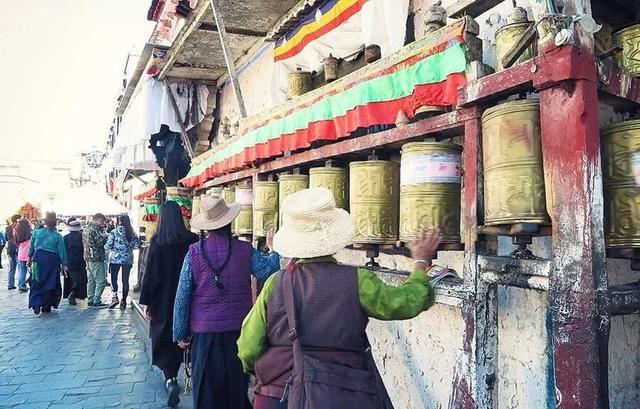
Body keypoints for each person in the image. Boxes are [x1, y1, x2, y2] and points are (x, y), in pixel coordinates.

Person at [237, 188, 441, 409]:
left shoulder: (275, 283)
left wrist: (263, 370)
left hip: (279, 397)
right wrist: (421, 261)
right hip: (341, 395)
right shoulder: (358, 280)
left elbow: (248, 348)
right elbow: (406, 302)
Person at [173, 196, 280, 409]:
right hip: (239, 333)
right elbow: (267, 270)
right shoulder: (244, 249)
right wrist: (273, 249)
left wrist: (180, 333)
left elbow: (183, 295)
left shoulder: (194, 252)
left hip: (204, 336)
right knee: (236, 393)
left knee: (206, 394)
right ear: (229, 222)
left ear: (206, 226)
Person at [139, 201, 198, 408]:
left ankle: (171, 379)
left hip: (163, 299)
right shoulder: (192, 240)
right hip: (189, 297)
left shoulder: (157, 242)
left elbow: (150, 276)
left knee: (164, 335)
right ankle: (192, 372)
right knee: (187, 335)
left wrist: (146, 301)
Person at [27, 212, 68, 315]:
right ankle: (46, 305)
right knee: (49, 283)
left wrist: (29, 258)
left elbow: (31, 248)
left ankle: (36, 303)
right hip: (52, 262)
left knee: (36, 282)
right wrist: (65, 264)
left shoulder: (36, 233)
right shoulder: (58, 236)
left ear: (45, 222)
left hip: (37, 260)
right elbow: (62, 252)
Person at [105, 214, 141, 309]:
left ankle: (114, 297)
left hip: (115, 259)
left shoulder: (114, 232)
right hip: (127, 259)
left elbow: (108, 246)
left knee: (114, 279)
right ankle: (124, 301)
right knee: (125, 280)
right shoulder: (132, 232)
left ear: (119, 221)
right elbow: (136, 245)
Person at [83, 213, 108, 308]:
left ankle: (90, 299)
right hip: (96, 257)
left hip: (88, 257)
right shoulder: (94, 230)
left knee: (91, 280)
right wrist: (106, 236)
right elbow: (99, 242)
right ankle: (96, 300)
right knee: (101, 280)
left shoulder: (86, 228)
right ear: (98, 219)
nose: (103, 223)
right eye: (102, 221)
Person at [64, 219, 87, 305]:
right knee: (81, 278)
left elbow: (63, 251)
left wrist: (64, 263)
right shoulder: (82, 237)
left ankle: (71, 292)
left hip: (69, 260)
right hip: (81, 260)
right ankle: (78, 294)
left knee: (71, 279)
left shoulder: (65, 238)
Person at [15, 219, 33, 293]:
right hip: (29, 254)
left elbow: (17, 244)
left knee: (22, 271)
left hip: (21, 254)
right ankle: (31, 284)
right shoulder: (31, 233)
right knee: (32, 271)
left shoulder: (18, 233)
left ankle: (21, 286)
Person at [5, 215, 20, 290]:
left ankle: (10, 284)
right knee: (20, 267)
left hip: (10, 249)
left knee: (12, 268)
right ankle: (20, 284)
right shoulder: (18, 228)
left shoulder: (7, 228)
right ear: (16, 220)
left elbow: (6, 238)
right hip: (16, 249)